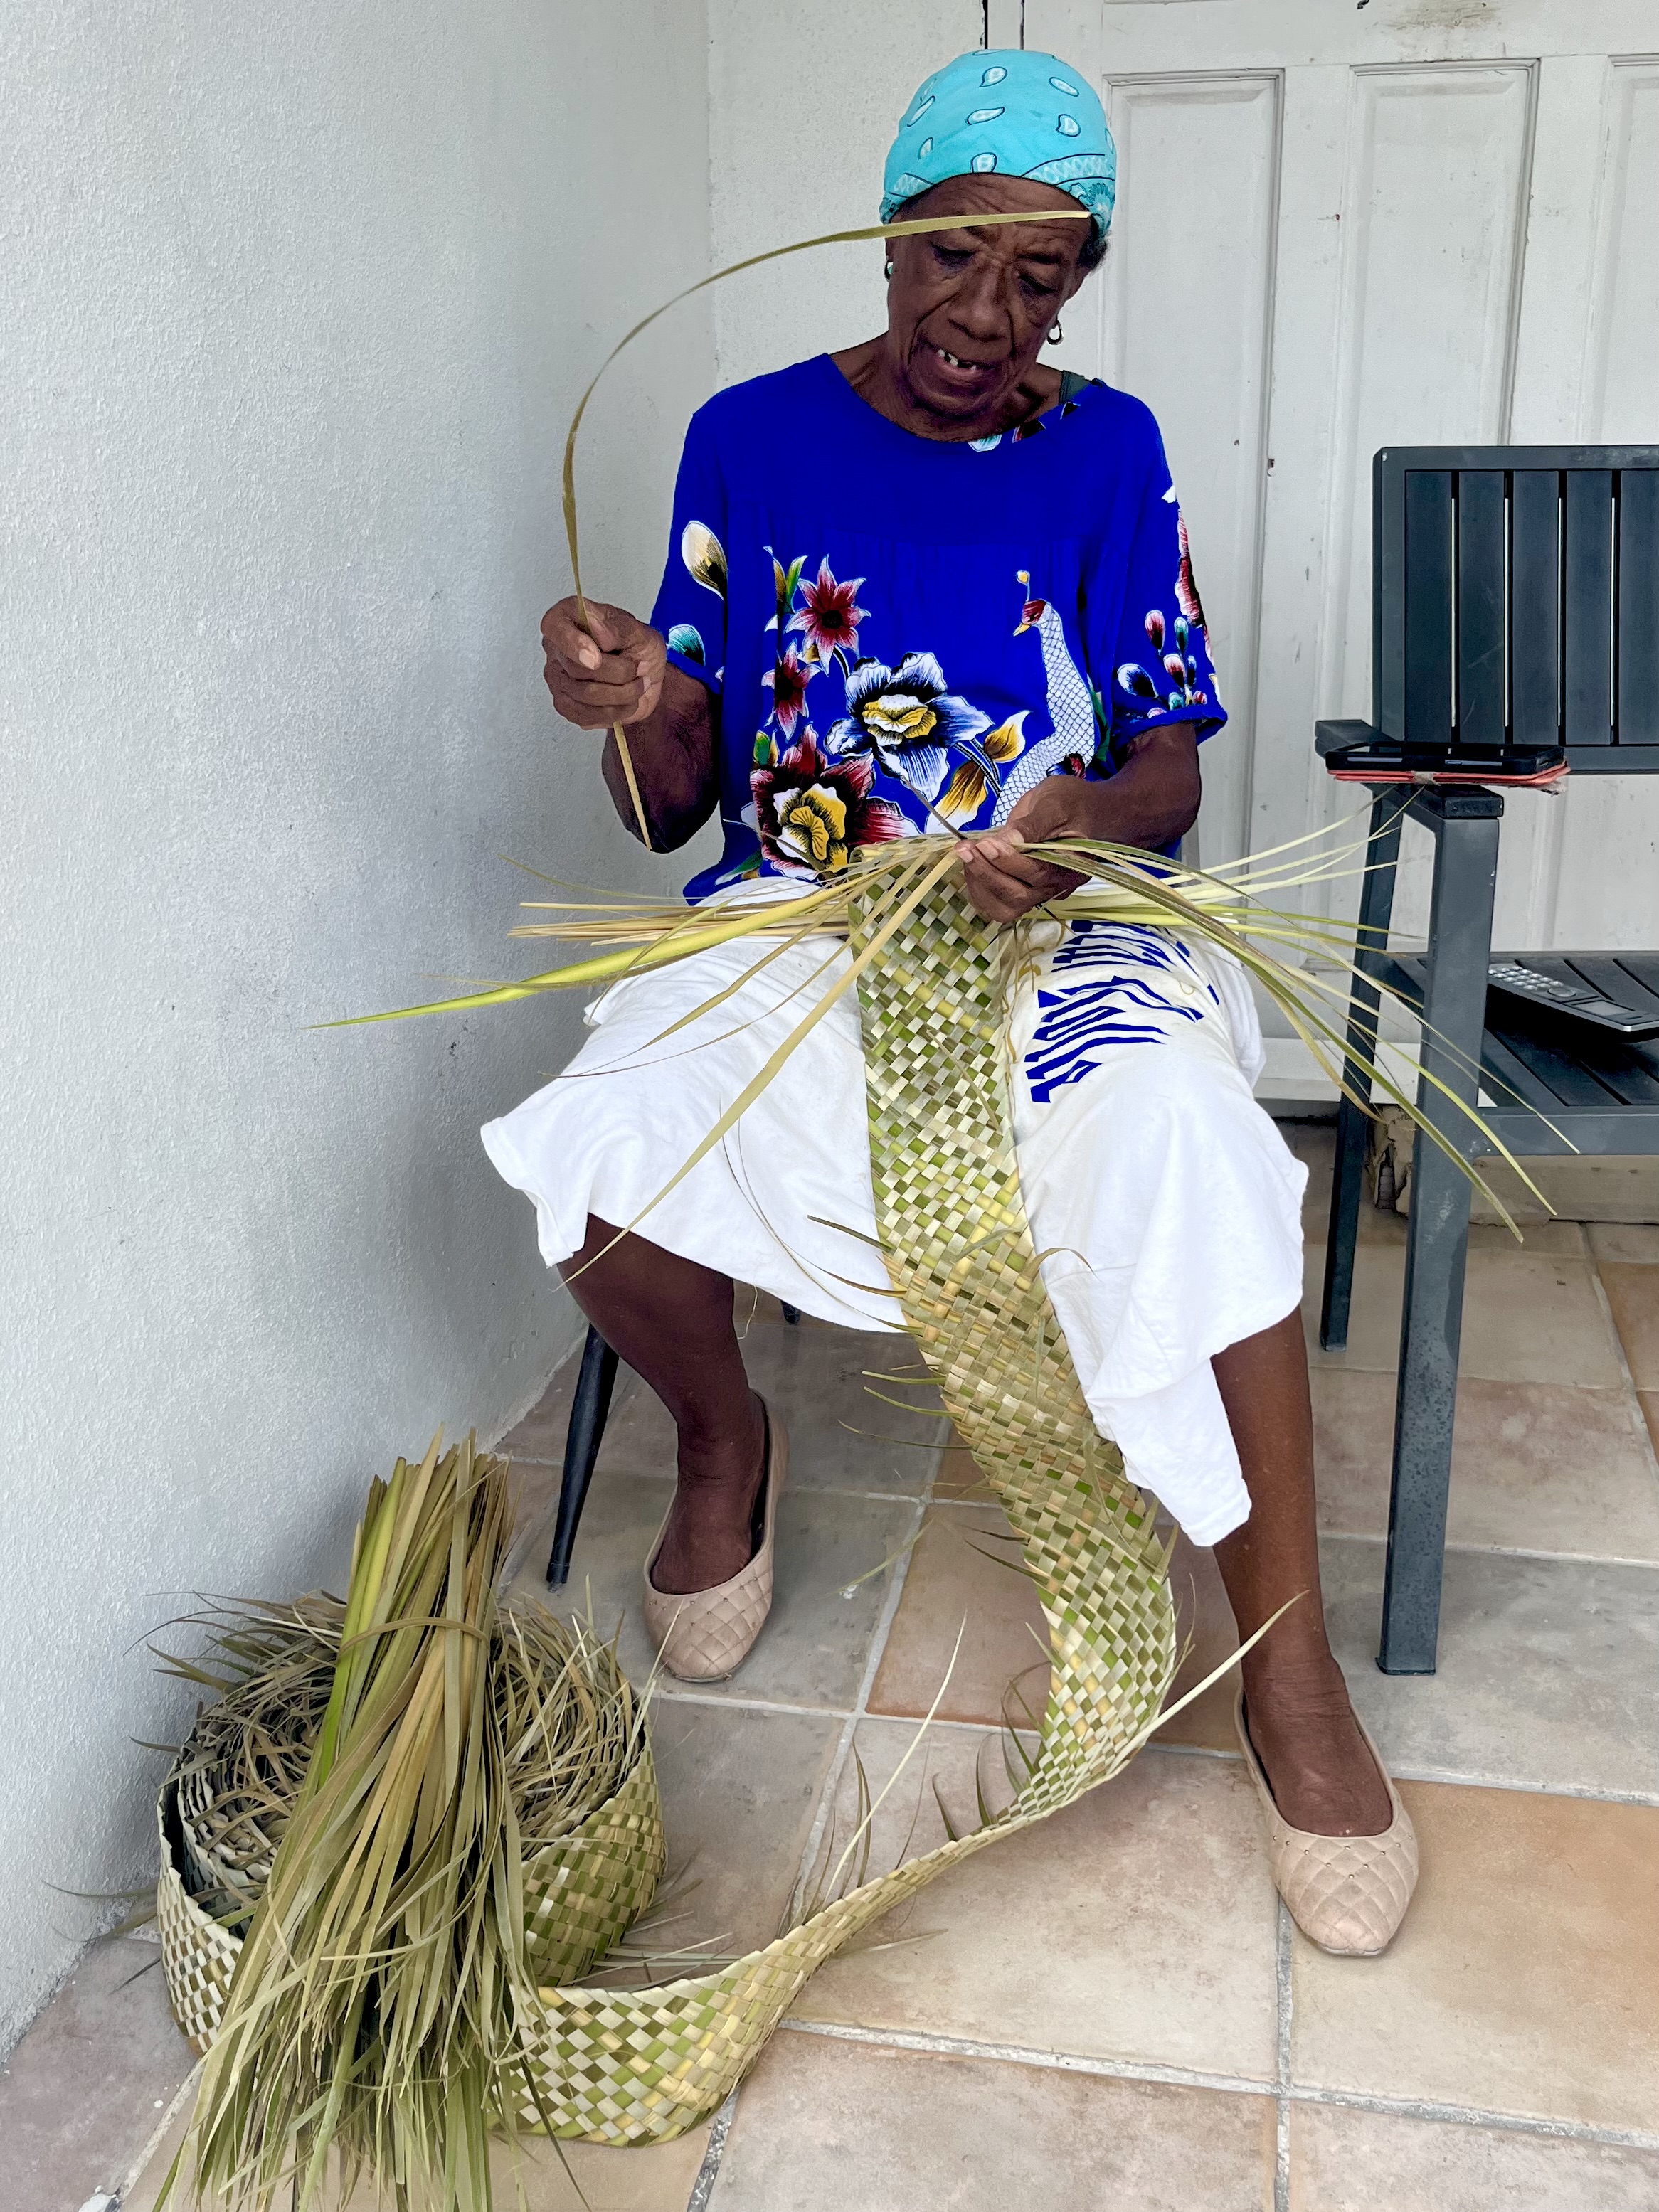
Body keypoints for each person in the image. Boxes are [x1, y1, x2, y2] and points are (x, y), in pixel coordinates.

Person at [487, 48, 1418, 1953]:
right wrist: (636, 698)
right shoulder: (745, 438)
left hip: (1048, 926)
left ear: (1077, 280)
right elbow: (678, 808)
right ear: (885, 233)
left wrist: (1076, 833)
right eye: (952, 259)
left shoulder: (1108, 447)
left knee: (1191, 1151)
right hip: (794, 914)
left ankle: (1284, 1668)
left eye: (1044, 272)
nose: (988, 316)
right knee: (594, 1153)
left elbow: (1163, 774)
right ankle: (726, 1437)